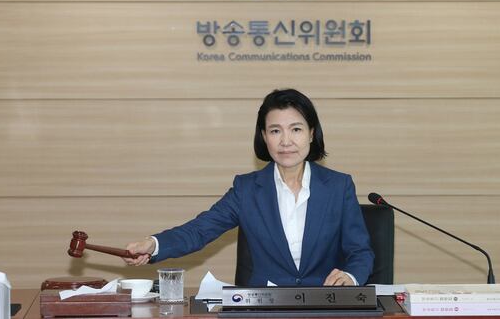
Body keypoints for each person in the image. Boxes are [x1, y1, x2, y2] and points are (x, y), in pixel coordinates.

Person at [124, 89, 374, 286]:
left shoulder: (338, 186)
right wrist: (154, 244)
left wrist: (351, 277)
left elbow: (360, 251)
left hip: (325, 306)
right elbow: (199, 231)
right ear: (264, 137)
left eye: (296, 129)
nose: (286, 141)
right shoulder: (246, 189)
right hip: (265, 309)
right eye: (275, 131)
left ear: (311, 133)